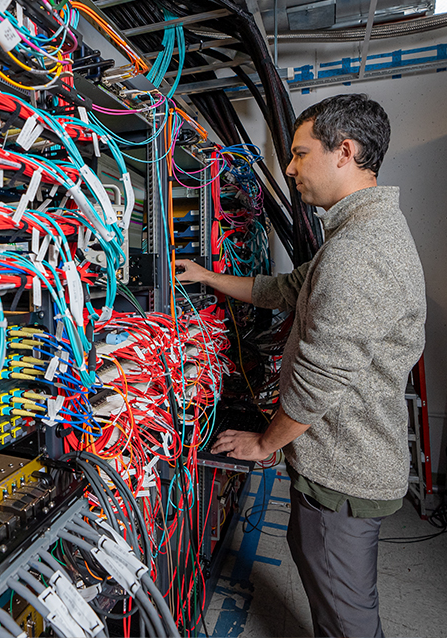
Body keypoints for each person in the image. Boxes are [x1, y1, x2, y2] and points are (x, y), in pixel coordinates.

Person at [176, 93, 425, 638]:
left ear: (345, 152)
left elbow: (320, 382)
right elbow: (286, 288)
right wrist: (207, 276)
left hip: (345, 471)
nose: (289, 169)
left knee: (347, 617)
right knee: (323, 579)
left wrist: (265, 443)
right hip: (336, 462)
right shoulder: (355, 236)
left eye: (299, 153)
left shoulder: (362, 252)